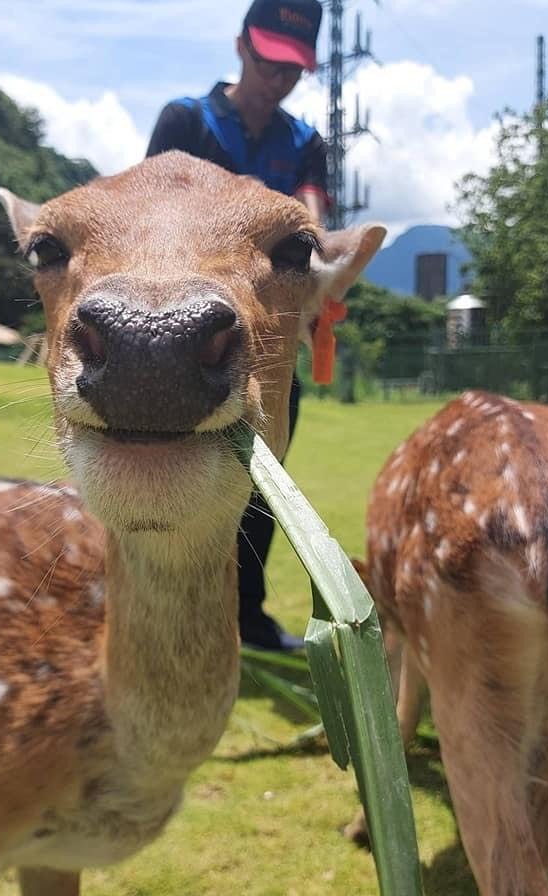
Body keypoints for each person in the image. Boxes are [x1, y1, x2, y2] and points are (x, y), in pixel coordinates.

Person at [147, 0, 328, 652]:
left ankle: (245, 620)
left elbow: (315, 227)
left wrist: (326, 265)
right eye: (267, 60)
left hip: (272, 350)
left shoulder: (306, 145)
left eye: (293, 69)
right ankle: (161, 619)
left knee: (261, 489)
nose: (277, 78)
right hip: (179, 339)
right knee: (164, 471)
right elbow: (152, 214)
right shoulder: (187, 121)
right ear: (239, 47)